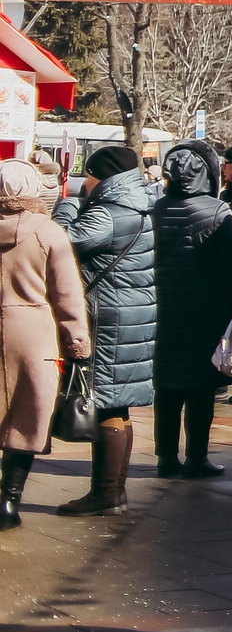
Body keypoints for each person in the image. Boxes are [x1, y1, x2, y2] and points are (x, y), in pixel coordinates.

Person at [54, 145, 157, 516]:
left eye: (90, 175)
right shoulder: (143, 203)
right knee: (118, 402)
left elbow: (61, 243)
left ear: (103, 176)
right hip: (134, 314)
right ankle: (113, 492)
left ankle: (106, 494)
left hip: (109, 317)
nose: (87, 182)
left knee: (107, 401)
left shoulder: (108, 214)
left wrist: (66, 201)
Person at [151, 140, 232, 480]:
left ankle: (165, 457)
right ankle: (196, 458)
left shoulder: (156, 208)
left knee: (166, 386)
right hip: (205, 311)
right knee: (200, 389)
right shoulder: (217, 211)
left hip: (161, 308)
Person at [0, 157, 87, 529]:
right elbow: (68, 296)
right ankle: (9, 502)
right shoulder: (49, 232)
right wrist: (78, 345)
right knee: (26, 419)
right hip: (35, 336)